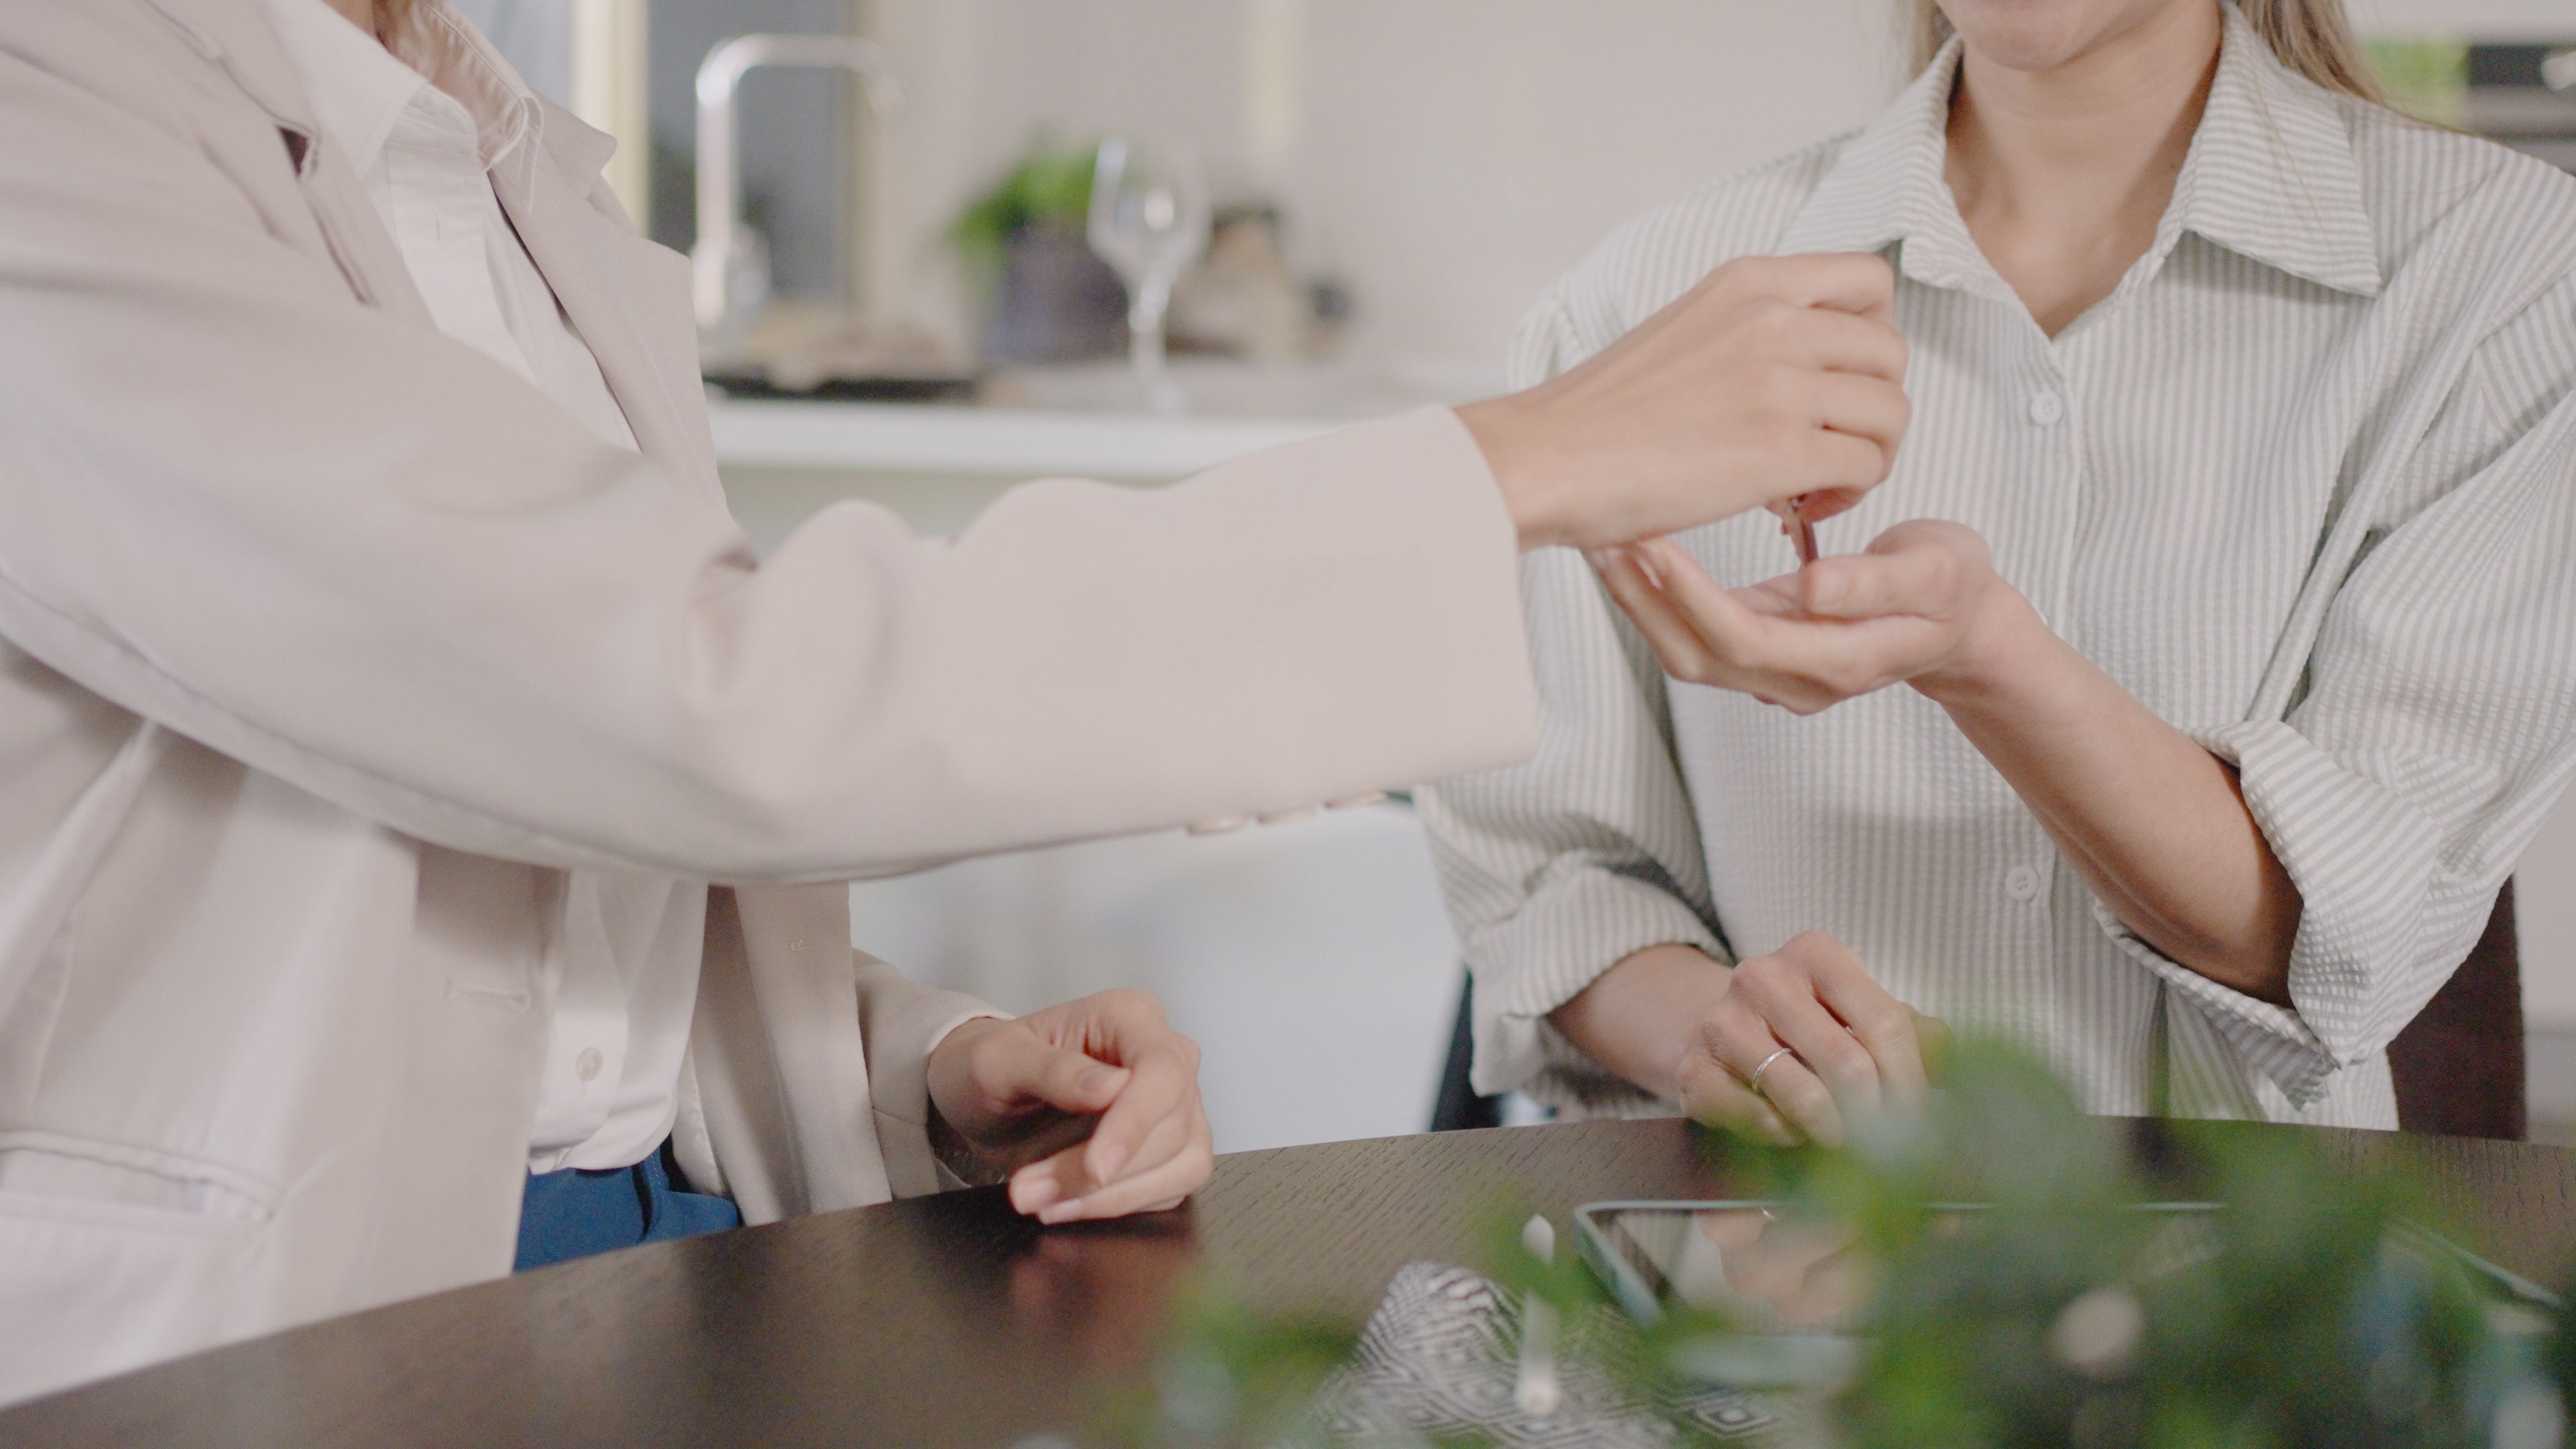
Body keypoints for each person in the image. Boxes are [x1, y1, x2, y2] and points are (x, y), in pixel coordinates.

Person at [0, 0, 1911, 1405]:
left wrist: (914, 1067)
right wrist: (1517, 463)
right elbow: (698, 696)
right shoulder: (51, 123)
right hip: (266, 1334)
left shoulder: (495, 169)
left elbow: (542, 871)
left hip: (690, 1271)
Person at [1424, 0, 2576, 1146]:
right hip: (1769, 1294)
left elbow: (2325, 934)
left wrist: (1983, 653)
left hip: (2243, 1313)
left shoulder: (2503, 270)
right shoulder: (1639, 300)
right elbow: (1550, 878)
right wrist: (1723, 1037)